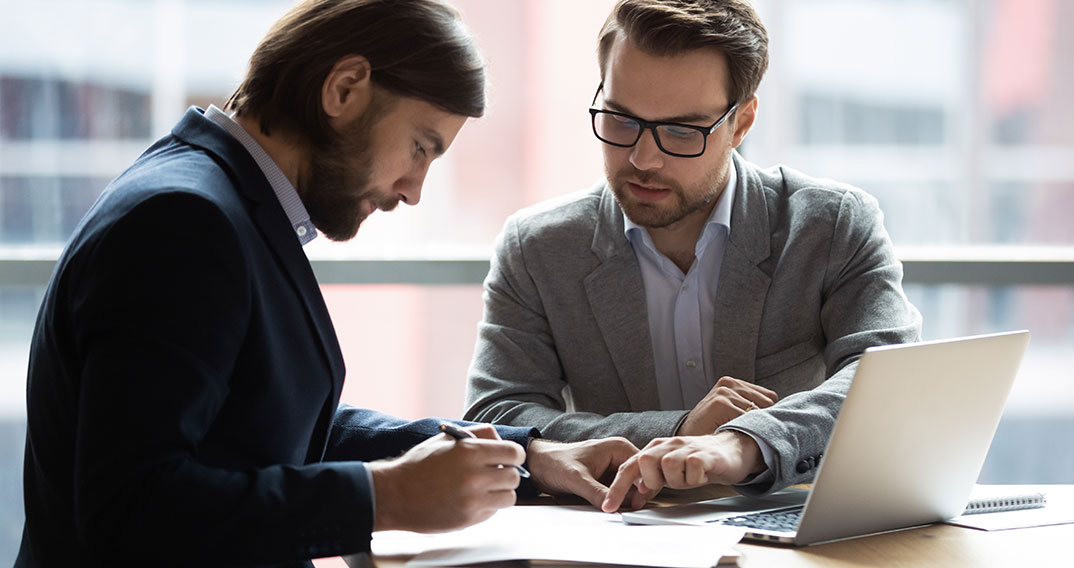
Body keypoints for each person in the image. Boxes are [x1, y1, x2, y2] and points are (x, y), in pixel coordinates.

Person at [17, 1, 644, 566]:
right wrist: (382, 498)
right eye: (421, 147)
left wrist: (522, 457)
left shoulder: (217, 197)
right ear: (344, 88)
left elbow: (268, 422)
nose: (413, 190)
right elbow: (131, 510)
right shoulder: (186, 221)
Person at [462, 0, 922, 510]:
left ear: (741, 122)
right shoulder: (538, 249)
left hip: (795, 531)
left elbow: (889, 380)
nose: (642, 158)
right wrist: (678, 430)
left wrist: (742, 443)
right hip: (619, 538)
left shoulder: (829, 226)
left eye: (682, 131)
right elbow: (496, 417)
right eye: (620, 119)